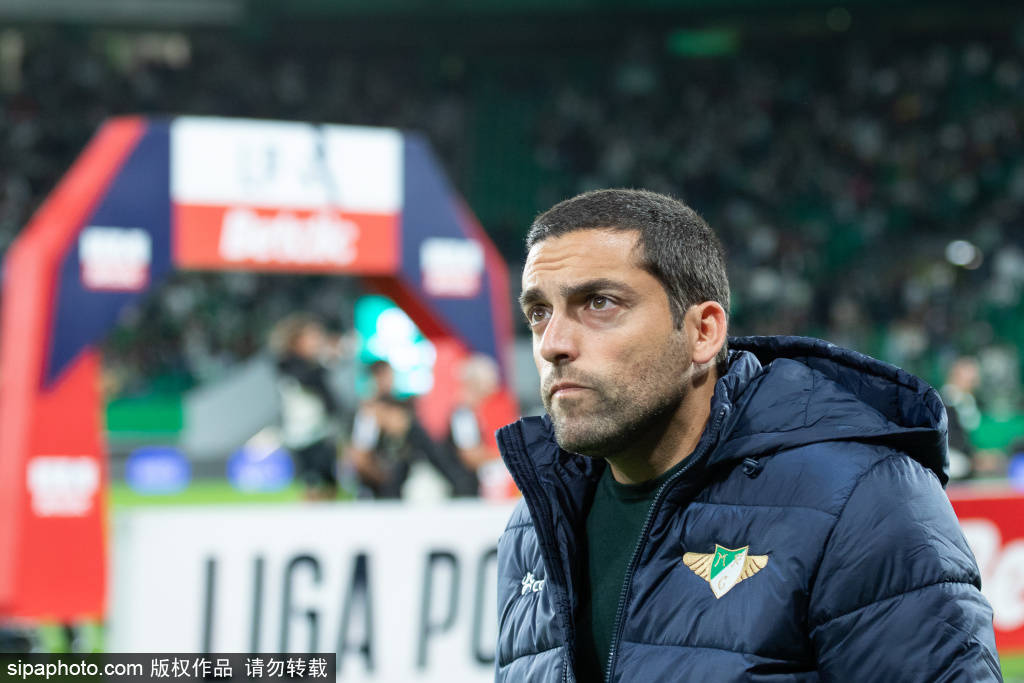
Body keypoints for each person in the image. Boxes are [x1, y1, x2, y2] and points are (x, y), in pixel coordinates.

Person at [494, 189, 1000, 681]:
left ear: (703, 332)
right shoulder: (538, 521)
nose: (552, 344)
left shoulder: (864, 498)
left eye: (599, 303)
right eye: (539, 312)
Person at [270, 313, 343, 501]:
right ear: (297, 341)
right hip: (303, 435)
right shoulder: (290, 365)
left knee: (329, 483)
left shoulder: (312, 367)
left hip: (320, 432)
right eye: (311, 337)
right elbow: (309, 380)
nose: (316, 342)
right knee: (313, 483)